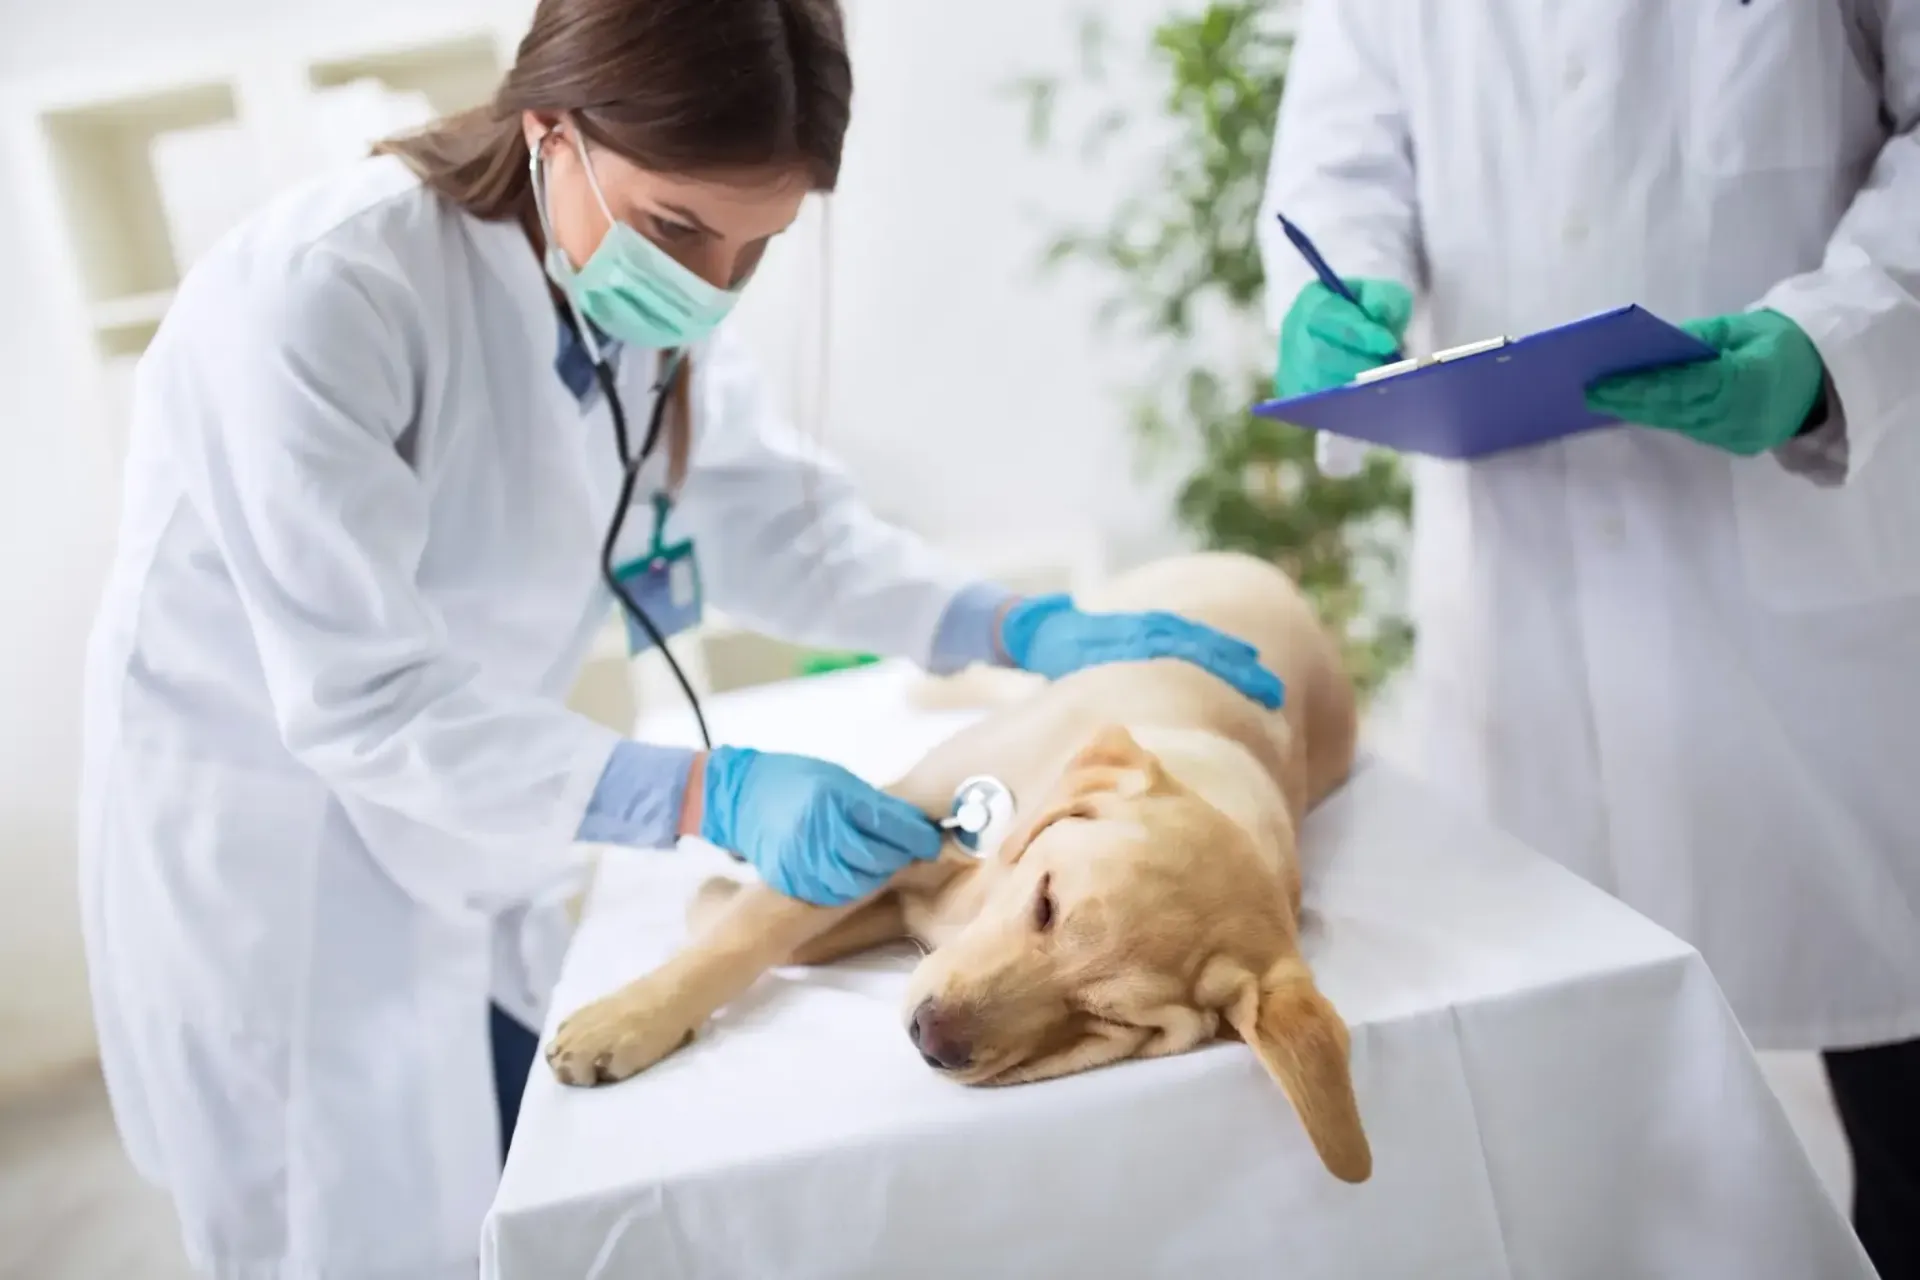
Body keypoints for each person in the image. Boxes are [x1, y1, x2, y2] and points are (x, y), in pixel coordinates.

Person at [76, 1, 1286, 1275]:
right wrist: (708, 788)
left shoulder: (635, 300)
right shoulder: (320, 296)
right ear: (550, 128)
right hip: (281, 867)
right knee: (330, 1234)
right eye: (679, 230)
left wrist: (1019, 622)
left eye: (753, 251)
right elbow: (365, 699)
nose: (710, 288)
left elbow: (775, 524)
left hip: (471, 843)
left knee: (493, 1192)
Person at [1261, 2, 1919, 1274]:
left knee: (1901, 1093)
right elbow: (1339, 157)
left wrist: (1828, 337)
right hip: (1526, 595)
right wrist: (1326, 295)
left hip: (1816, 584)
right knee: (1568, 1129)